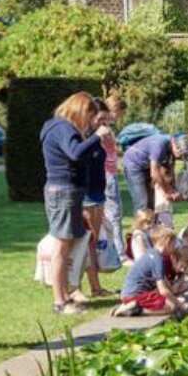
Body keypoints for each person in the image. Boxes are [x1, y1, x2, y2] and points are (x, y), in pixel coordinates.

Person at [39, 91, 108, 314]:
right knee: (62, 245)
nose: (88, 122)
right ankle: (60, 301)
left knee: (67, 244)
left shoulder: (57, 126)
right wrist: (97, 136)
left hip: (66, 190)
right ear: (80, 110)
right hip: (63, 191)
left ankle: (65, 295)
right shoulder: (62, 128)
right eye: (89, 116)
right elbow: (75, 153)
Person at [81, 102, 117, 298]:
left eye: (106, 120)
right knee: (87, 241)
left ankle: (96, 287)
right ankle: (86, 287)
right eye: (100, 119)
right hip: (87, 195)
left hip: (98, 193)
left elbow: (110, 163)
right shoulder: (85, 138)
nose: (104, 123)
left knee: (92, 241)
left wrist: (109, 143)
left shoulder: (100, 138)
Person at [112, 225, 188, 318]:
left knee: (175, 300)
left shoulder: (151, 253)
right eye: (173, 244)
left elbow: (164, 283)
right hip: (136, 296)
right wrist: (178, 305)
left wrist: (174, 296)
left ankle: (128, 306)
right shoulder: (158, 259)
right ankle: (135, 309)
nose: (174, 248)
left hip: (129, 294)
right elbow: (163, 291)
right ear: (167, 241)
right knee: (171, 307)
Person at [122, 131, 188, 214]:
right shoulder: (159, 146)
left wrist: (172, 189)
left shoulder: (170, 146)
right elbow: (154, 173)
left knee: (151, 204)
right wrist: (169, 192)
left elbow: (168, 169)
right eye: (182, 155)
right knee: (141, 203)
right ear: (176, 146)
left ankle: (151, 226)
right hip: (133, 165)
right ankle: (139, 226)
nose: (182, 158)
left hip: (145, 165)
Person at [102, 92, 127, 259]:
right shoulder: (103, 128)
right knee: (114, 213)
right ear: (115, 110)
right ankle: (119, 252)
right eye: (121, 113)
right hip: (107, 175)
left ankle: (114, 249)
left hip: (109, 173)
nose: (121, 117)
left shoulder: (106, 128)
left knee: (112, 213)